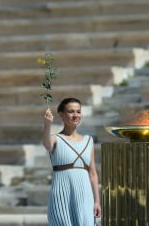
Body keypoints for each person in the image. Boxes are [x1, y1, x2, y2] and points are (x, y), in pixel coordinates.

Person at [42, 97, 101, 226]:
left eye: (78, 111)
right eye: (71, 111)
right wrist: (47, 125)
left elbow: (92, 173)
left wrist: (97, 201)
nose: (76, 115)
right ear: (61, 114)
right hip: (62, 194)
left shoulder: (88, 140)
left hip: (85, 195)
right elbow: (46, 144)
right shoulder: (55, 139)